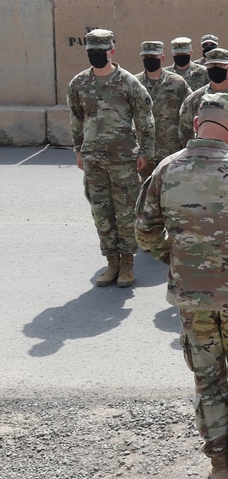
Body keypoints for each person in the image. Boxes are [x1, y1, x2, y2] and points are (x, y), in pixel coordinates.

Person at [136, 92, 228, 479]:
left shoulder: (167, 169)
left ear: (195, 124)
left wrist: (181, 259)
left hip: (191, 295)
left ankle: (220, 468)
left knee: (208, 377)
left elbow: (145, 231)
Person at [68, 28, 155, 288]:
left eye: (100, 51)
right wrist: (78, 149)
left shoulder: (128, 82)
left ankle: (127, 263)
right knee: (101, 212)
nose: (96, 56)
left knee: (126, 212)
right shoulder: (79, 83)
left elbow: (145, 118)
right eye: (91, 52)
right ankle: (112, 263)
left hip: (123, 160)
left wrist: (145, 152)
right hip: (93, 160)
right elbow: (76, 118)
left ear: (112, 52)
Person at [135, 40, 191, 179]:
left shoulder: (177, 82)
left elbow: (189, 110)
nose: (149, 60)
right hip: (144, 150)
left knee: (172, 190)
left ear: (162, 58)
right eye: (146, 57)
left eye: (153, 57)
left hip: (171, 149)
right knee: (146, 191)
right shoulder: (135, 84)